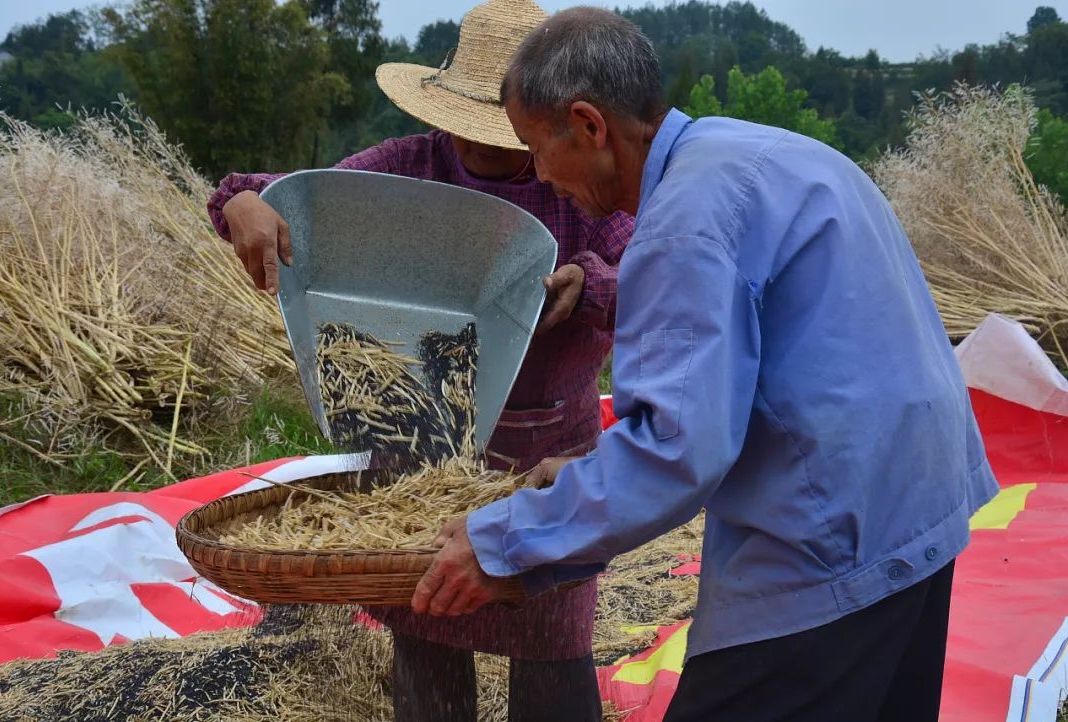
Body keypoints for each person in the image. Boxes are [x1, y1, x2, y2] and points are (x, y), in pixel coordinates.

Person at [411, 8, 1001, 722]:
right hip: (921, 505)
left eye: (536, 148)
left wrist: (500, 542)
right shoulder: (763, 153)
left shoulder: (682, 224)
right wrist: (593, 471)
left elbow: (676, 451)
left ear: (589, 125)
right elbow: (773, 374)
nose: (539, 173)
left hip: (832, 542)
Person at [206, 2, 633, 720]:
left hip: (543, 470)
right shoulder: (409, 169)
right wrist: (242, 201)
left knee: (552, 648)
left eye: (504, 134)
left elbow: (657, 275)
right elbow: (302, 203)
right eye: (468, 127)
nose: (482, 146)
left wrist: (592, 285)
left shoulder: (575, 182)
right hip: (418, 464)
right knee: (430, 630)